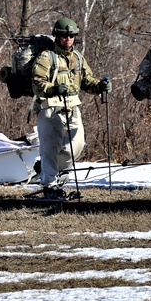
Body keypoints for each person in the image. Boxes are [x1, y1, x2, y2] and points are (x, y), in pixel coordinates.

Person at [31, 17, 111, 200]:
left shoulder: (77, 57)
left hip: (72, 106)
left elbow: (86, 80)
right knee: (50, 147)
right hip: (50, 106)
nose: (68, 39)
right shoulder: (46, 57)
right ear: (57, 36)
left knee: (77, 145)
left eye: (71, 36)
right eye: (64, 36)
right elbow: (36, 84)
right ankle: (50, 186)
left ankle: (48, 168)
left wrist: (100, 86)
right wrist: (52, 89)